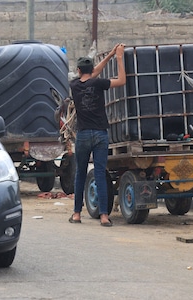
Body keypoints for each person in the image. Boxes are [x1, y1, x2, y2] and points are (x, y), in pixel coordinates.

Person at [68, 43, 126, 227]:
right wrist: (118, 58)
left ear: (78, 70)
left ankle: (77, 213)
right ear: (92, 70)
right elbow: (121, 81)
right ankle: (103, 216)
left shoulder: (74, 85)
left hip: (83, 135)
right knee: (100, 174)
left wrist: (109, 55)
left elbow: (90, 74)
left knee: (80, 175)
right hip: (100, 135)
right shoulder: (99, 84)